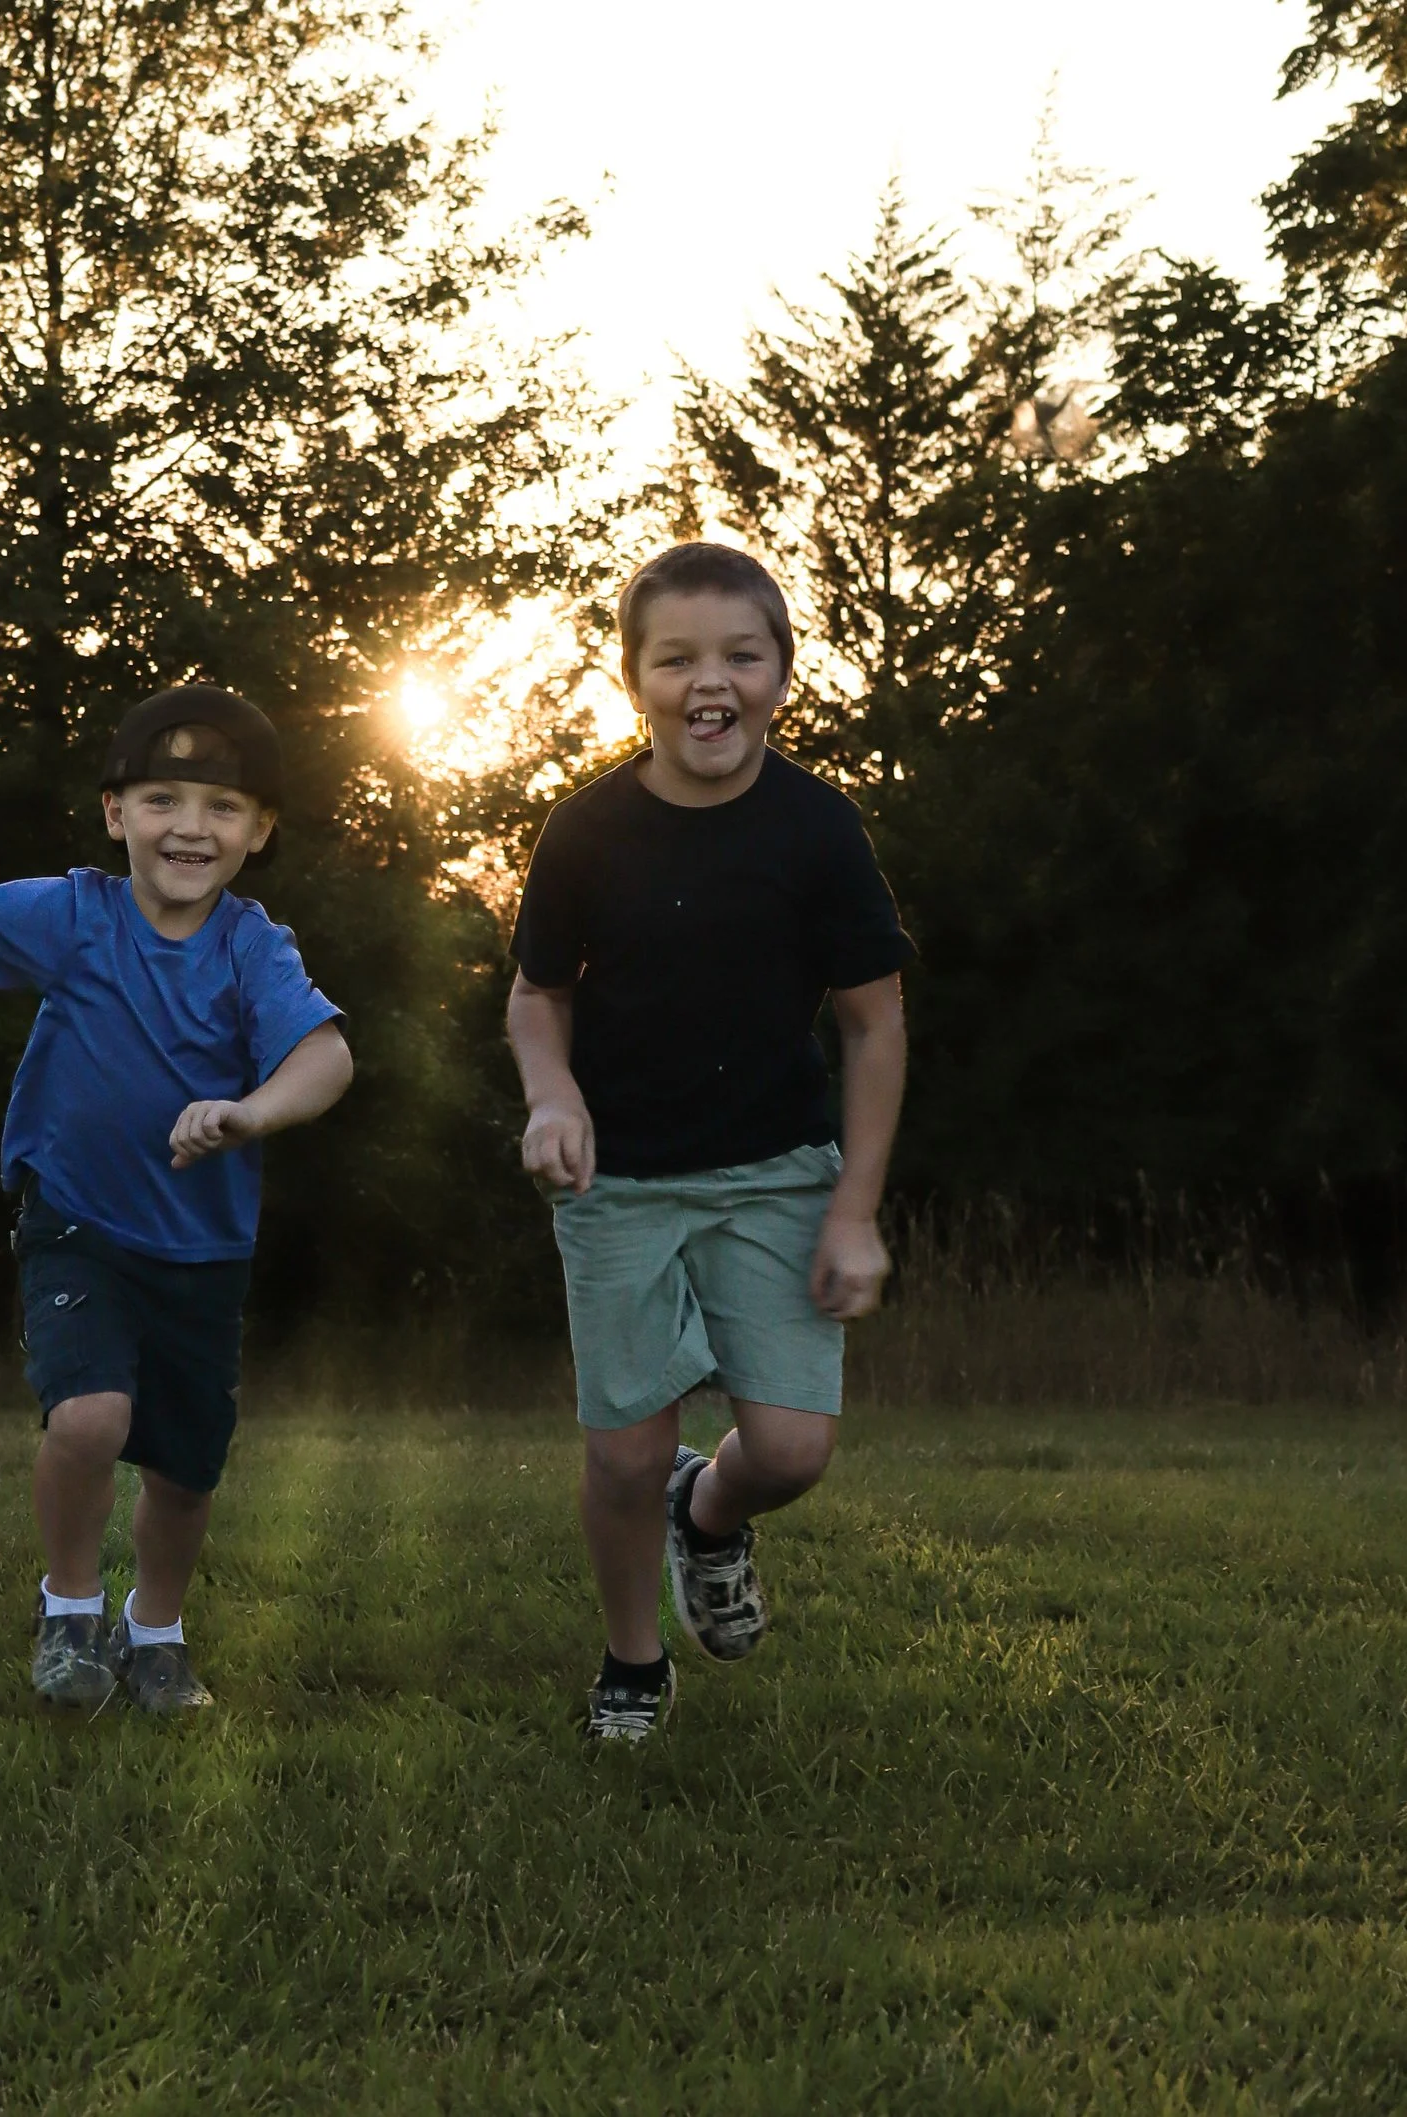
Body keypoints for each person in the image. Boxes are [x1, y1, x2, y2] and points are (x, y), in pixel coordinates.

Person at [0, 686, 352, 1714]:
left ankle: (158, 1634)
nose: (190, 826)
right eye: (163, 798)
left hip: (203, 1249)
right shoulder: (75, 914)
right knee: (88, 1418)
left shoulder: (252, 947)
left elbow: (325, 1054)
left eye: (223, 808)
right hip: (76, 1223)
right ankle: (71, 1612)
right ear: (114, 811)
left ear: (260, 831)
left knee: (183, 1469)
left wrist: (249, 1113)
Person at [507, 543, 912, 1744]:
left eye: (740, 653)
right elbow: (537, 996)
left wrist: (854, 1210)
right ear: (633, 678)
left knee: (789, 1448)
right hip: (616, 1177)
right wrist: (551, 1096)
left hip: (778, 1174)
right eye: (675, 657)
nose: (709, 681)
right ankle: (633, 1660)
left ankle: (713, 1512)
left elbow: (874, 1023)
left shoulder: (818, 831)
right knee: (623, 1451)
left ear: (782, 670)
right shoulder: (583, 832)